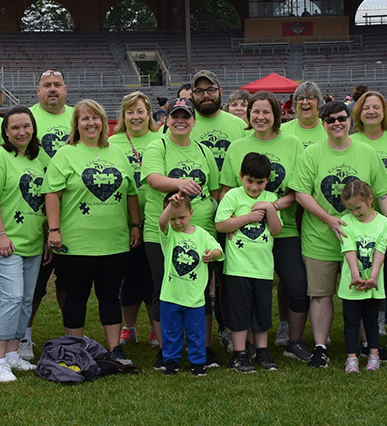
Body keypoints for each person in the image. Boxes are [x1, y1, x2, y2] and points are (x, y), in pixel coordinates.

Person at [290, 101, 387, 368]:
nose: (337, 123)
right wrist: (328, 219)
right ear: (322, 123)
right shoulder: (312, 153)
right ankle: (321, 346)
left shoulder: (367, 152)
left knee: (362, 290)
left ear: (350, 120)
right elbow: (301, 192)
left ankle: (365, 345)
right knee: (321, 294)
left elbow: (382, 190)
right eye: (330, 120)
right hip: (320, 237)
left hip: (362, 242)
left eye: (341, 118)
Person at [46, 99, 142, 364]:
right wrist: (54, 229)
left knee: (110, 295)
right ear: (76, 124)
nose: (91, 123)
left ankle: (114, 349)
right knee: (76, 295)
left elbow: (131, 193)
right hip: (77, 242)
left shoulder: (117, 152)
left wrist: (135, 224)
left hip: (114, 240)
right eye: (85, 119)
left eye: (96, 118)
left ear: (104, 122)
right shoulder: (65, 154)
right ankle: (75, 348)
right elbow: (51, 193)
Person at [220, 92, 311, 361]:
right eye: (255, 111)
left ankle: (293, 340)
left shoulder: (293, 144)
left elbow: (299, 189)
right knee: (240, 288)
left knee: (296, 285)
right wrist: (238, 218)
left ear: (277, 115)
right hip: (243, 231)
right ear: (248, 115)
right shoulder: (237, 146)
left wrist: (270, 206)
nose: (260, 117)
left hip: (282, 229)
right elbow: (226, 188)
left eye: (266, 112)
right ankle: (244, 343)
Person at [0, 106, 48, 382]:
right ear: (5, 131)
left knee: (26, 301)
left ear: (33, 128)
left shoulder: (37, 159)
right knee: (11, 298)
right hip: (4, 242)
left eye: (26, 126)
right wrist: (0, 234)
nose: (21, 132)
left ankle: (12, 354)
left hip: (32, 241)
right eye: (15, 127)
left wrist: (44, 235)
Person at [348, 89, 387, 357]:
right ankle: (367, 334)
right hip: (361, 225)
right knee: (364, 276)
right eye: (366, 108)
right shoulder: (350, 141)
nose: (372, 112)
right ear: (358, 113)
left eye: (377, 107)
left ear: (385, 112)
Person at [214, 152, 282, 373]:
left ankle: (262, 351)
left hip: (262, 269)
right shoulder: (233, 196)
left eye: (260, 182)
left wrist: (270, 209)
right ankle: (239, 354)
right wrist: (247, 218)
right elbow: (221, 224)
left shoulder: (270, 198)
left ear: (267, 180)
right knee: (239, 313)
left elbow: (276, 230)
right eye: (249, 181)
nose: (254, 187)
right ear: (241, 176)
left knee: (262, 313)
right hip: (238, 268)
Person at [22, 69, 72, 360]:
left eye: (57, 85)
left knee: (69, 280)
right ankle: (24, 338)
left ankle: (71, 333)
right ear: (37, 90)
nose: (52, 90)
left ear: (66, 89)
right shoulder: (26, 117)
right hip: (33, 208)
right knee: (35, 284)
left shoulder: (78, 116)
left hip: (74, 210)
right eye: (46, 85)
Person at [110, 92, 165, 348]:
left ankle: (156, 328)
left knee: (153, 278)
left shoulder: (161, 139)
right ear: (123, 115)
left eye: (140, 111)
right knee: (128, 278)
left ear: (149, 113)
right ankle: (128, 327)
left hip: (155, 220)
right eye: (130, 112)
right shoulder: (113, 142)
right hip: (123, 221)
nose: (135, 117)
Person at [156, 194, 221, 377]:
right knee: (171, 332)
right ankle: (170, 362)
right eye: (173, 218)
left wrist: (211, 254)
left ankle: (198, 363)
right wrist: (171, 205)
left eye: (182, 217)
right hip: (171, 295)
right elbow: (162, 222)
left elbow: (217, 249)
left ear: (191, 213)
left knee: (196, 333)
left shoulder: (201, 234)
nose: (177, 222)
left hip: (195, 297)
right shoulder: (169, 235)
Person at [337, 180, 387, 373]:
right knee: (351, 321)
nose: (355, 213)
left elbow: (380, 249)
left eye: (358, 208)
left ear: (370, 200)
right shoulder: (345, 221)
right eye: (350, 209)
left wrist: (373, 277)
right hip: (351, 283)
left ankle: (373, 355)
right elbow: (348, 249)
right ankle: (351, 359)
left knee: (371, 320)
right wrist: (356, 275)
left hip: (373, 284)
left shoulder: (383, 223)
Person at [189, 70, 246, 171]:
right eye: (199, 91)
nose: (206, 95)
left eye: (211, 89)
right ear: (191, 95)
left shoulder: (240, 126)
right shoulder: (181, 128)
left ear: (220, 92)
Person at [283, 81, 326, 148]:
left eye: (310, 98)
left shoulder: (329, 129)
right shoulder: (281, 131)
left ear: (319, 102)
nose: (305, 102)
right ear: (295, 104)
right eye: (300, 98)